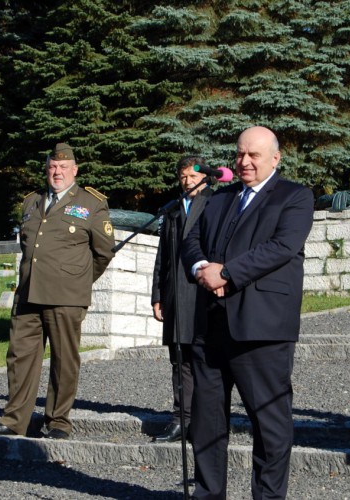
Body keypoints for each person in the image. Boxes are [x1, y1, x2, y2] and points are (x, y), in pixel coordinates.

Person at [183, 126, 314, 499]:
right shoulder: (220, 198)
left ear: (275, 158)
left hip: (261, 328)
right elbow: (192, 240)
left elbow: (282, 246)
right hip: (210, 326)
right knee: (207, 424)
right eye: (240, 154)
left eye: (253, 155)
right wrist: (200, 269)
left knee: (269, 425)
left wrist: (227, 273)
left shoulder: (294, 196)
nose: (243, 162)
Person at [0, 142, 114, 440]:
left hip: (66, 296)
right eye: (53, 166)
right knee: (20, 358)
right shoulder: (31, 202)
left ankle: (58, 422)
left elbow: (104, 252)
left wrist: (78, 280)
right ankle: (15, 420)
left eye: (63, 167)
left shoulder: (91, 203)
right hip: (28, 295)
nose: (57, 172)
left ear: (74, 170)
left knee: (64, 360)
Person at [150, 156, 212, 442]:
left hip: (203, 294)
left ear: (204, 177)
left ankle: (205, 419)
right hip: (175, 295)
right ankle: (181, 418)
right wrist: (158, 295)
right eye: (183, 177)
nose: (188, 181)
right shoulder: (173, 210)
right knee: (179, 359)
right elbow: (162, 257)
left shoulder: (215, 203)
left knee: (203, 359)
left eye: (192, 176)